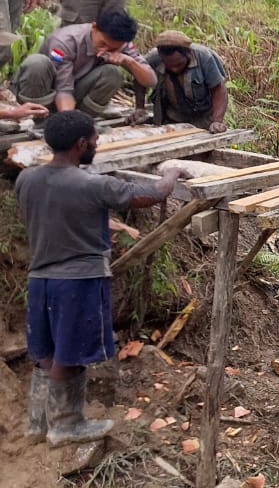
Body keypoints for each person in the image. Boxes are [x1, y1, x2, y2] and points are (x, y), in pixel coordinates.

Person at [17, 110, 187, 446]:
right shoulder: (94, 185)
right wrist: (172, 172)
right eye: (95, 139)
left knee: (47, 351)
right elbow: (152, 194)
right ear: (81, 144)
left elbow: (54, 215)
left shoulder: (27, 179)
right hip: (78, 280)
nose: (97, 143)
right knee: (70, 354)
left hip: (40, 278)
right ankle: (66, 425)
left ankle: (38, 424)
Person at [14, 10, 156, 117]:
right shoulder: (65, 41)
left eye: (113, 48)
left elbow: (150, 81)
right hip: (46, 90)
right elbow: (63, 88)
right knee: (37, 63)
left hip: (76, 91)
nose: (104, 50)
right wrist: (68, 121)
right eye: (103, 43)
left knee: (113, 73)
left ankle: (84, 119)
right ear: (94, 27)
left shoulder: (123, 44)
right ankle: (42, 120)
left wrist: (128, 61)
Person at [135, 30, 228, 132]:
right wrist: (140, 108)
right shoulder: (153, 58)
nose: (174, 69)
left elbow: (218, 89)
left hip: (204, 118)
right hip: (172, 118)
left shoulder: (204, 57)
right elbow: (139, 80)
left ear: (188, 53)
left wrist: (217, 121)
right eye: (169, 65)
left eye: (179, 64)